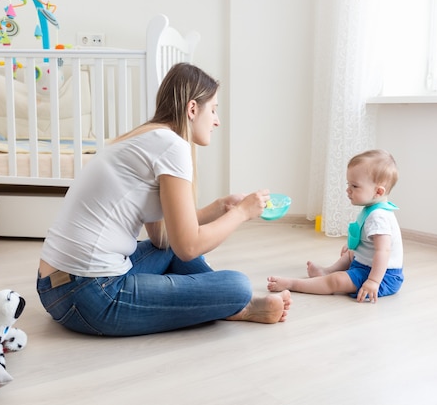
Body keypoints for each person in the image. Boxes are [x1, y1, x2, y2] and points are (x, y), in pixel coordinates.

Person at [37, 63, 291, 336]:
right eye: (214, 109)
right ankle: (233, 302)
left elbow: (163, 240)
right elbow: (189, 247)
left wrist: (220, 208)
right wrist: (241, 213)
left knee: (167, 252)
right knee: (238, 286)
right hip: (89, 295)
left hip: (55, 287)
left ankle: (226, 302)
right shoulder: (172, 146)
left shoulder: (148, 137)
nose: (217, 120)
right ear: (193, 109)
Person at [267, 149, 404, 303]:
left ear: (378, 192)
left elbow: (383, 251)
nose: (348, 189)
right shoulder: (373, 209)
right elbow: (368, 240)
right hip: (367, 265)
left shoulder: (379, 217)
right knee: (349, 254)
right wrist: (354, 247)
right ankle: (326, 271)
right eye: (348, 184)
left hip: (384, 275)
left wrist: (373, 281)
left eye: (355, 186)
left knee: (336, 281)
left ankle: (294, 284)